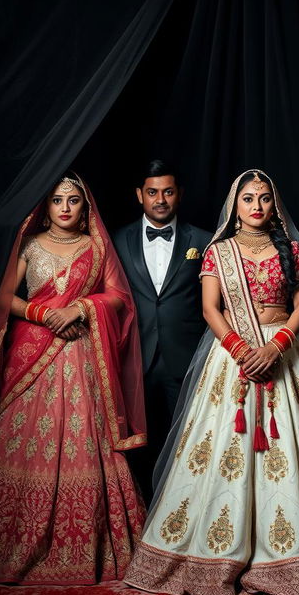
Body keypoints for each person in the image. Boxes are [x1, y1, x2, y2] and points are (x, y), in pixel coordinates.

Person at [123, 170, 299, 595]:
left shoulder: (291, 248)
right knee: (220, 450)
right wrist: (241, 350)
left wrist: (277, 345)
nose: (257, 206)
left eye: (264, 198)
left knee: (298, 454)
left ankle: (296, 556)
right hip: (233, 358)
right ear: (235, 205)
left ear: (273, 205)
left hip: (283, 354)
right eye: (248, 199)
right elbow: (209, 308)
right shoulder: (218, 251)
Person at [0, 173, 146, 585]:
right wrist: (43, 313)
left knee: (88, 439)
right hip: (33, 356)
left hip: (83, 356)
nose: (65, 207)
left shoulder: (96, 247)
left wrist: (81, 307)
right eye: (57, 200)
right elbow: (2, 296)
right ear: (45, 207)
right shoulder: (29, 245)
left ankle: (84, 550)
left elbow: (119, 297)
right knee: (20, 440)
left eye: (73, 200)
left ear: (86, 208)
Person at [113, 160, 211, 499]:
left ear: (179, 194)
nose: (160, 200)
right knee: (136, 443)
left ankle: (179, 515)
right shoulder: (117, 240)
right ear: (139, 195)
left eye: (168, 192)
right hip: (133, 357)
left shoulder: (203, 240)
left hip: (185, 360)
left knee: (185, 441)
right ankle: (139, 518)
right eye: (152, 192)